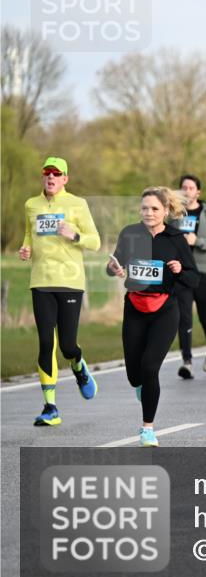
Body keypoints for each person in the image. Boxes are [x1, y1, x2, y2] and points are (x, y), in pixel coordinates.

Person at [107, 187, 199, 446]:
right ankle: (144, 387)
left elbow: (193, 278)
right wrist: (113, 268)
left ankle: (148, 428)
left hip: (165, 310)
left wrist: (180, 270)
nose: (149, 213)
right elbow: (114, 263)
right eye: (145, 208)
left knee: (150, 367)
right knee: (134, 375)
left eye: (155, 208)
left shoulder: (175, 239)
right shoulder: (130, 233)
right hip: (135, 308)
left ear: (166, 211)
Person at [19, 157, 101, 426]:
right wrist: (26, 248)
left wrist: (75, 235)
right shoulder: (32, 205)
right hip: (40, 281)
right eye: (47, 173)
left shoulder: (77, 204)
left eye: (57, 174)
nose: (51, 178)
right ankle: (50, 408)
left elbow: (96, 242)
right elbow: (29, 236)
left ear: (65, 178)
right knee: (45, 343)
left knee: (67, 346)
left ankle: (78, 366)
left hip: (70, 281)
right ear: (42, 177)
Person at [172, 175, 206, 379]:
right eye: (183, 187)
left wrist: (198, 241)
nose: (186, 191)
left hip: (204, 270)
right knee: (183, 317)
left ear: (198, 192)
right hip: (182, 272)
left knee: (204, 314)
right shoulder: (175, 215)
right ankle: (187, 361)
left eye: (191, 187)